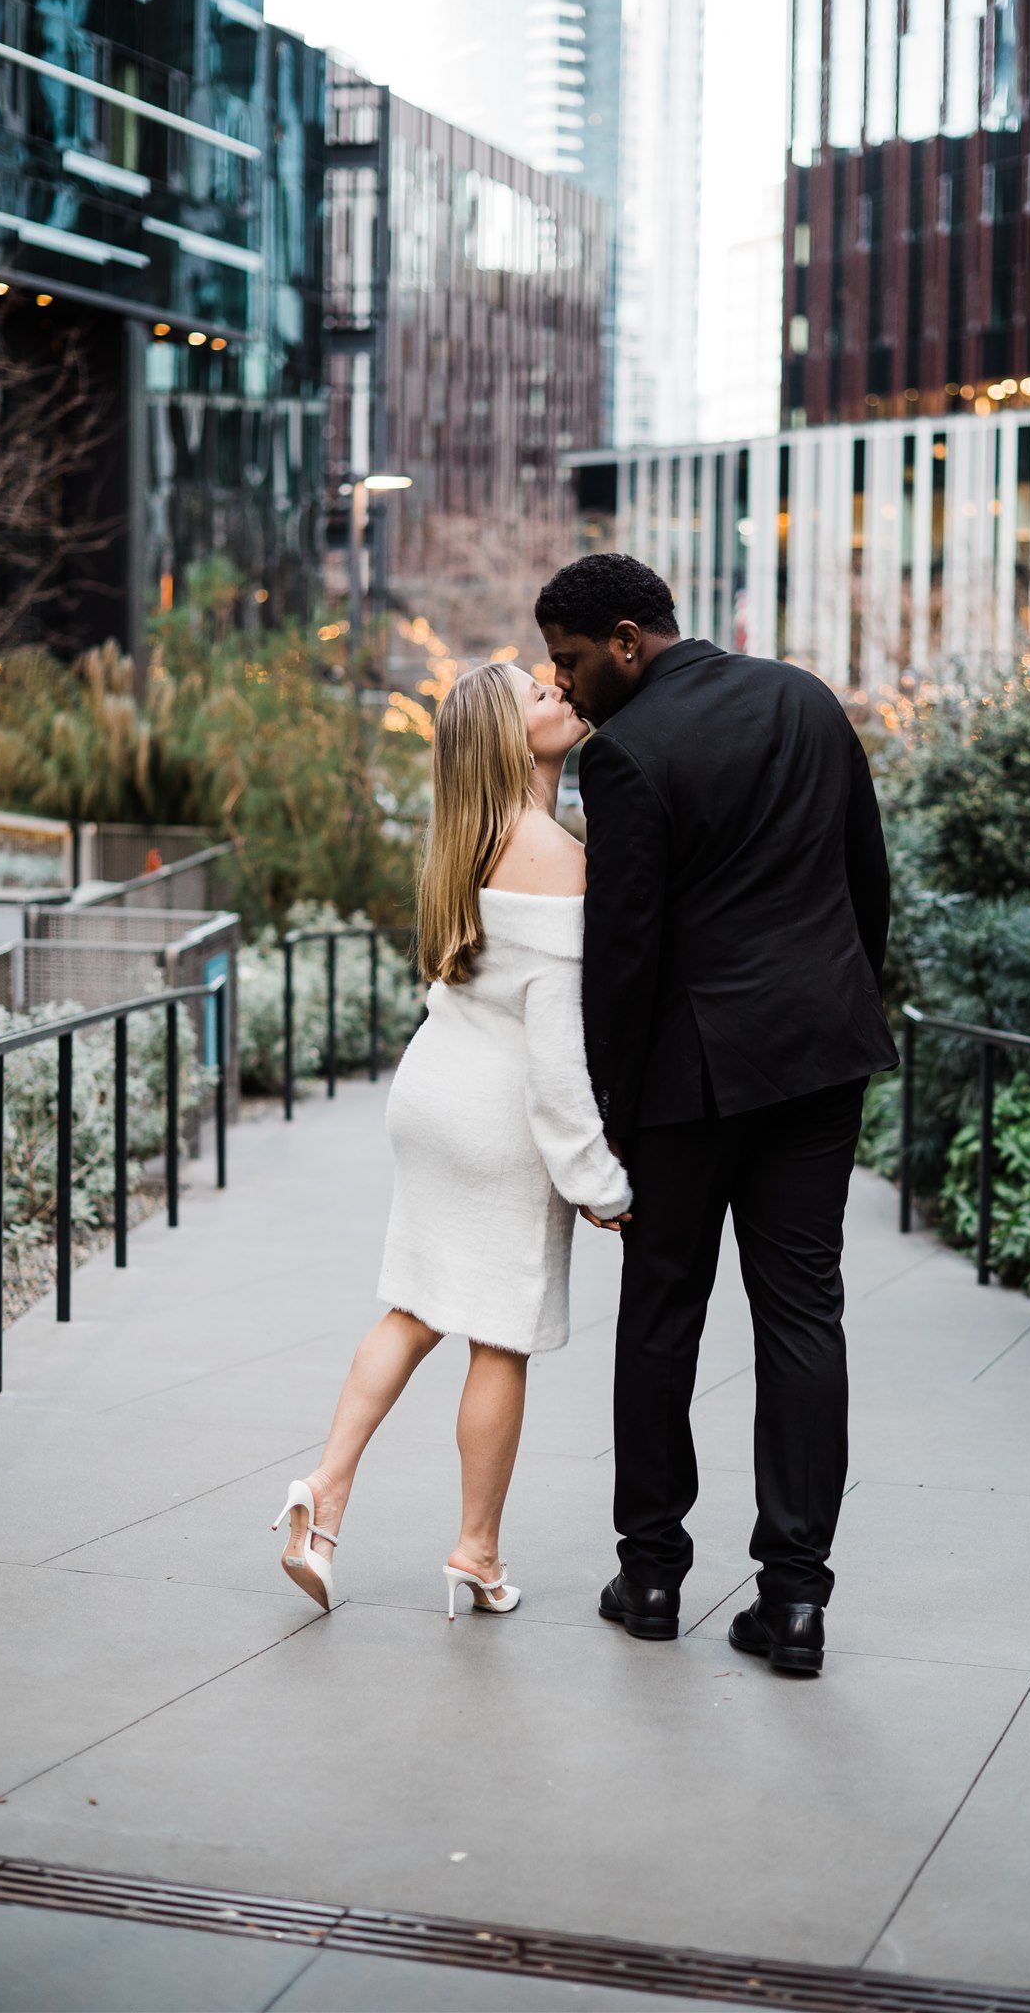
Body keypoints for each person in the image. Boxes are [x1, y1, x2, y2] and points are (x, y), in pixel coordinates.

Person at [535, 553, 895, 1675]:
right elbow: (864, 879)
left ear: (629, 638)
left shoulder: (625, 756)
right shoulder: (804, 699)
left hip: (688, 1082)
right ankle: (793, 1601)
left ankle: (650, 1576)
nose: (568, 684)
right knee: (802, 1320)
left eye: (572, 659)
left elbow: (624, 960)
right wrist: (833, 1011)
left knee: (660, 1321)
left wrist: (606, 1117)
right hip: (816, 1066)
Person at [271, 663, 630, 1620]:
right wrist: (601, 1182)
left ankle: (324, 1492)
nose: (559, 692)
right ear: (510, 742)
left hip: (433, 1094)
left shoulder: (461, 845)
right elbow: (556, 1063)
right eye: (537, 697)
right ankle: (475, 1553)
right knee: (499, 1341)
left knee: (413, 1310)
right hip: (498, 1120)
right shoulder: (554, 853)